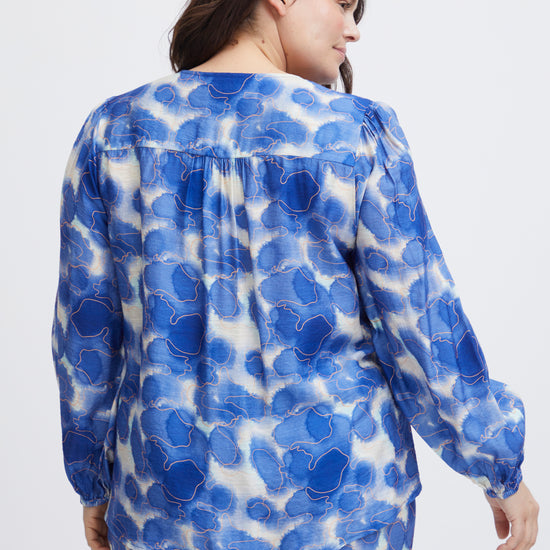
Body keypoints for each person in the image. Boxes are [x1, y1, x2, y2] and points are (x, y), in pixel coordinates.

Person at [51, 0, 539, 549]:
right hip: (342, 513)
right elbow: (423, 325)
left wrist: (93, 479)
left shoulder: (113, 131)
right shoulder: (352, 134)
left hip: (165, 509)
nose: (352, 30)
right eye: (343, 4)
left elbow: (85, 338)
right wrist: (496, 462)